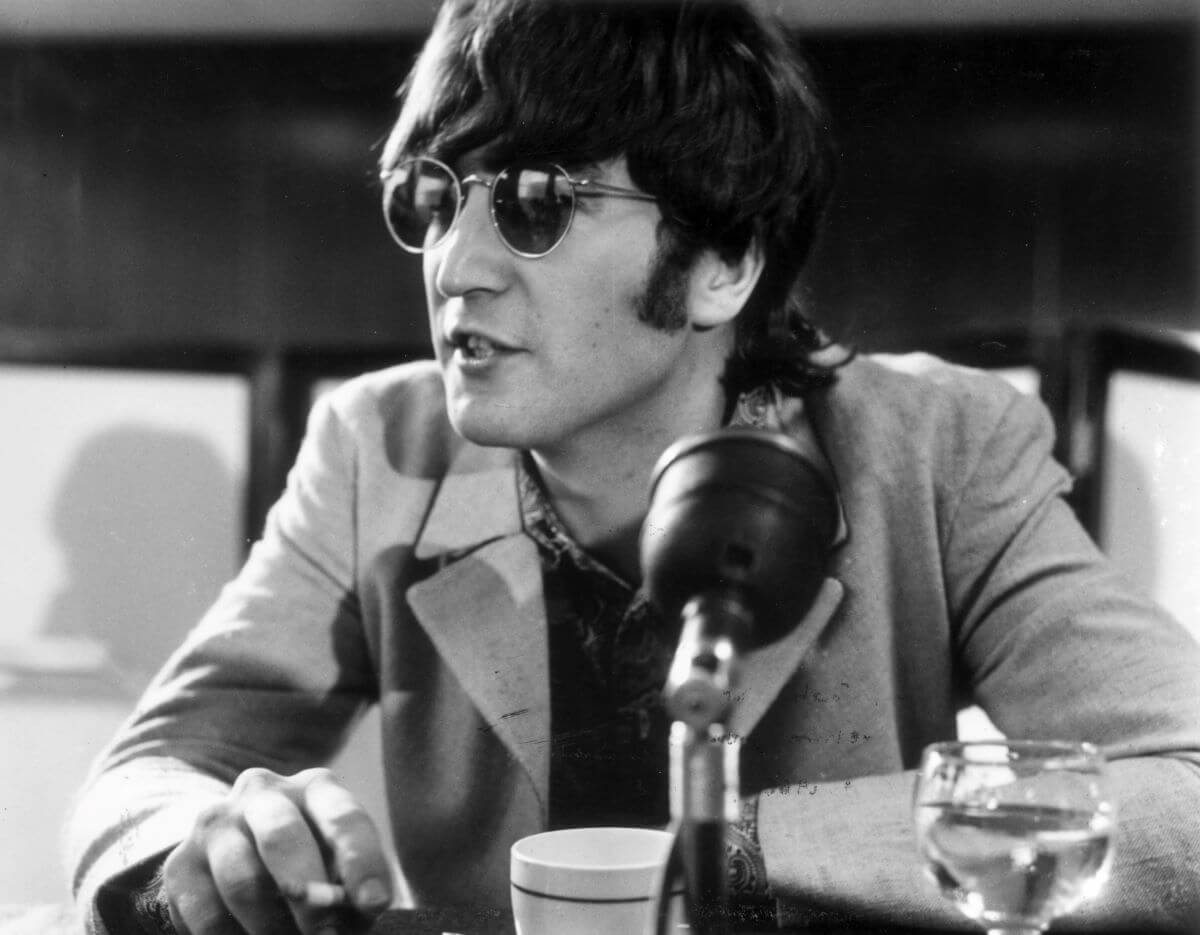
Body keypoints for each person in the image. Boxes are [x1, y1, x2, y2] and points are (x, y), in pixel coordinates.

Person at [69, 1, 1200, 933]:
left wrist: (742, 848)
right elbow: (151, 773)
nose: (456, 266)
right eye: (435, 196)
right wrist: (203, 853)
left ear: (722, 264)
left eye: (535, 201)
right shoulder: (379, 448)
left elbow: (1186, 792)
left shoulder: (940, 447)